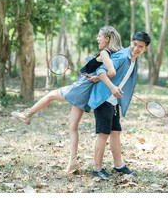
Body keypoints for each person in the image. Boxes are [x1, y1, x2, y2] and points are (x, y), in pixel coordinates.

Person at [11, 26, 123, 173]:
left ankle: (27, 114)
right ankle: (73, 161)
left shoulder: (104, 52)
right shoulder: (113, 54)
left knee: (51, 95)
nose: (97, 39)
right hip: (85, 91)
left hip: (80, 88)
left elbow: (112, 71)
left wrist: (98, 77)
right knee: (72, 126)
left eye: (99, 36)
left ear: (107, 39)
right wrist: (97, 75)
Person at [87, 31, 151, 179]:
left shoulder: (134, 60)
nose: (136, 48)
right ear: (131, 42)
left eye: (140, 47)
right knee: (104, 134)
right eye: (134, 44)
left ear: (145, 48)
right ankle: (97, 169)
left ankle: (119, 165)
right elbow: (102, 70)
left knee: (116, 132)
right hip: (104, 98)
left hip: (113, 100)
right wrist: (112, 87)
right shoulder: (123, 56)